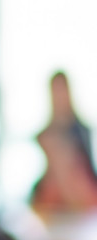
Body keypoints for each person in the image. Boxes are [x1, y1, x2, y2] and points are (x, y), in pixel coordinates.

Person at [31, 71, 97, 213]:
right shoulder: (45, 135)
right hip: (54, 204)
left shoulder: (82, 131)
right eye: (55, 91)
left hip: (81, 200)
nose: (59, 96)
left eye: (62, 90)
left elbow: (88, 175)